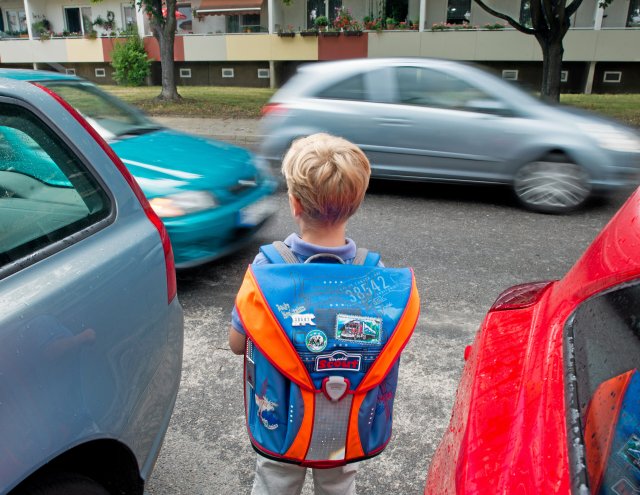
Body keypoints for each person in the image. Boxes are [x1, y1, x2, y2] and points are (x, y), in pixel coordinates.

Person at [229, 133, 376, 495]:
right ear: (355, 204)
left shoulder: (268, 267)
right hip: (342, 412)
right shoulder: (371, 273)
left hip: (278, 412)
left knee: (275, 479)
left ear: (294, 203)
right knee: (339, 481)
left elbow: (236, 344)